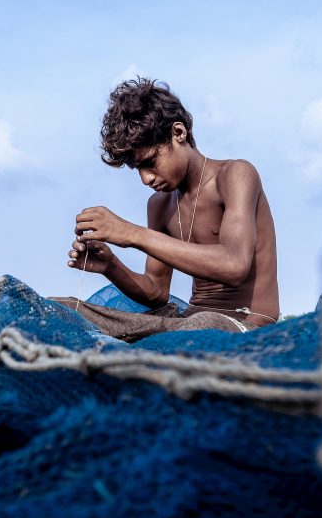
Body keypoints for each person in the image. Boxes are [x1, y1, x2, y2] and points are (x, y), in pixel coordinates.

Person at [65, 77, 279, 336]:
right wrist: (111, 266)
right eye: (137, 169)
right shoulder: (159, 205)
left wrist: (133, 234)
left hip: (244, 326)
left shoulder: (236, 174)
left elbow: (235, 266)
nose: (146, 179)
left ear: (179, 133)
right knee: (64, 309)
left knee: (200, 326)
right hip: (185, 321)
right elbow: (156, 292)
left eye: (150, 162)